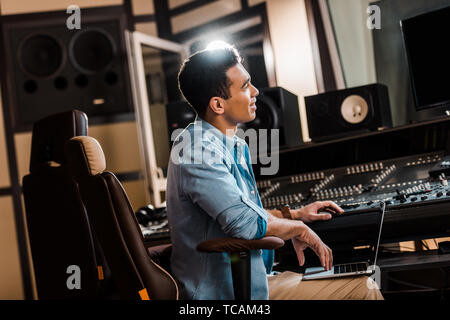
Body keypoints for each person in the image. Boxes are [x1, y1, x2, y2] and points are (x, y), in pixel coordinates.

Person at [166, 44, 383, 300]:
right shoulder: (198, 149)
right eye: (245, 86)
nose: (256, 92)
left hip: (252, 281)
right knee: (363, 289)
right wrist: (297, 228)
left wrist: (294, 214)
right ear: (218, 104)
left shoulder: (225, 143)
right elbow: (244, 224)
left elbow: (240, 209)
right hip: (222, 294)